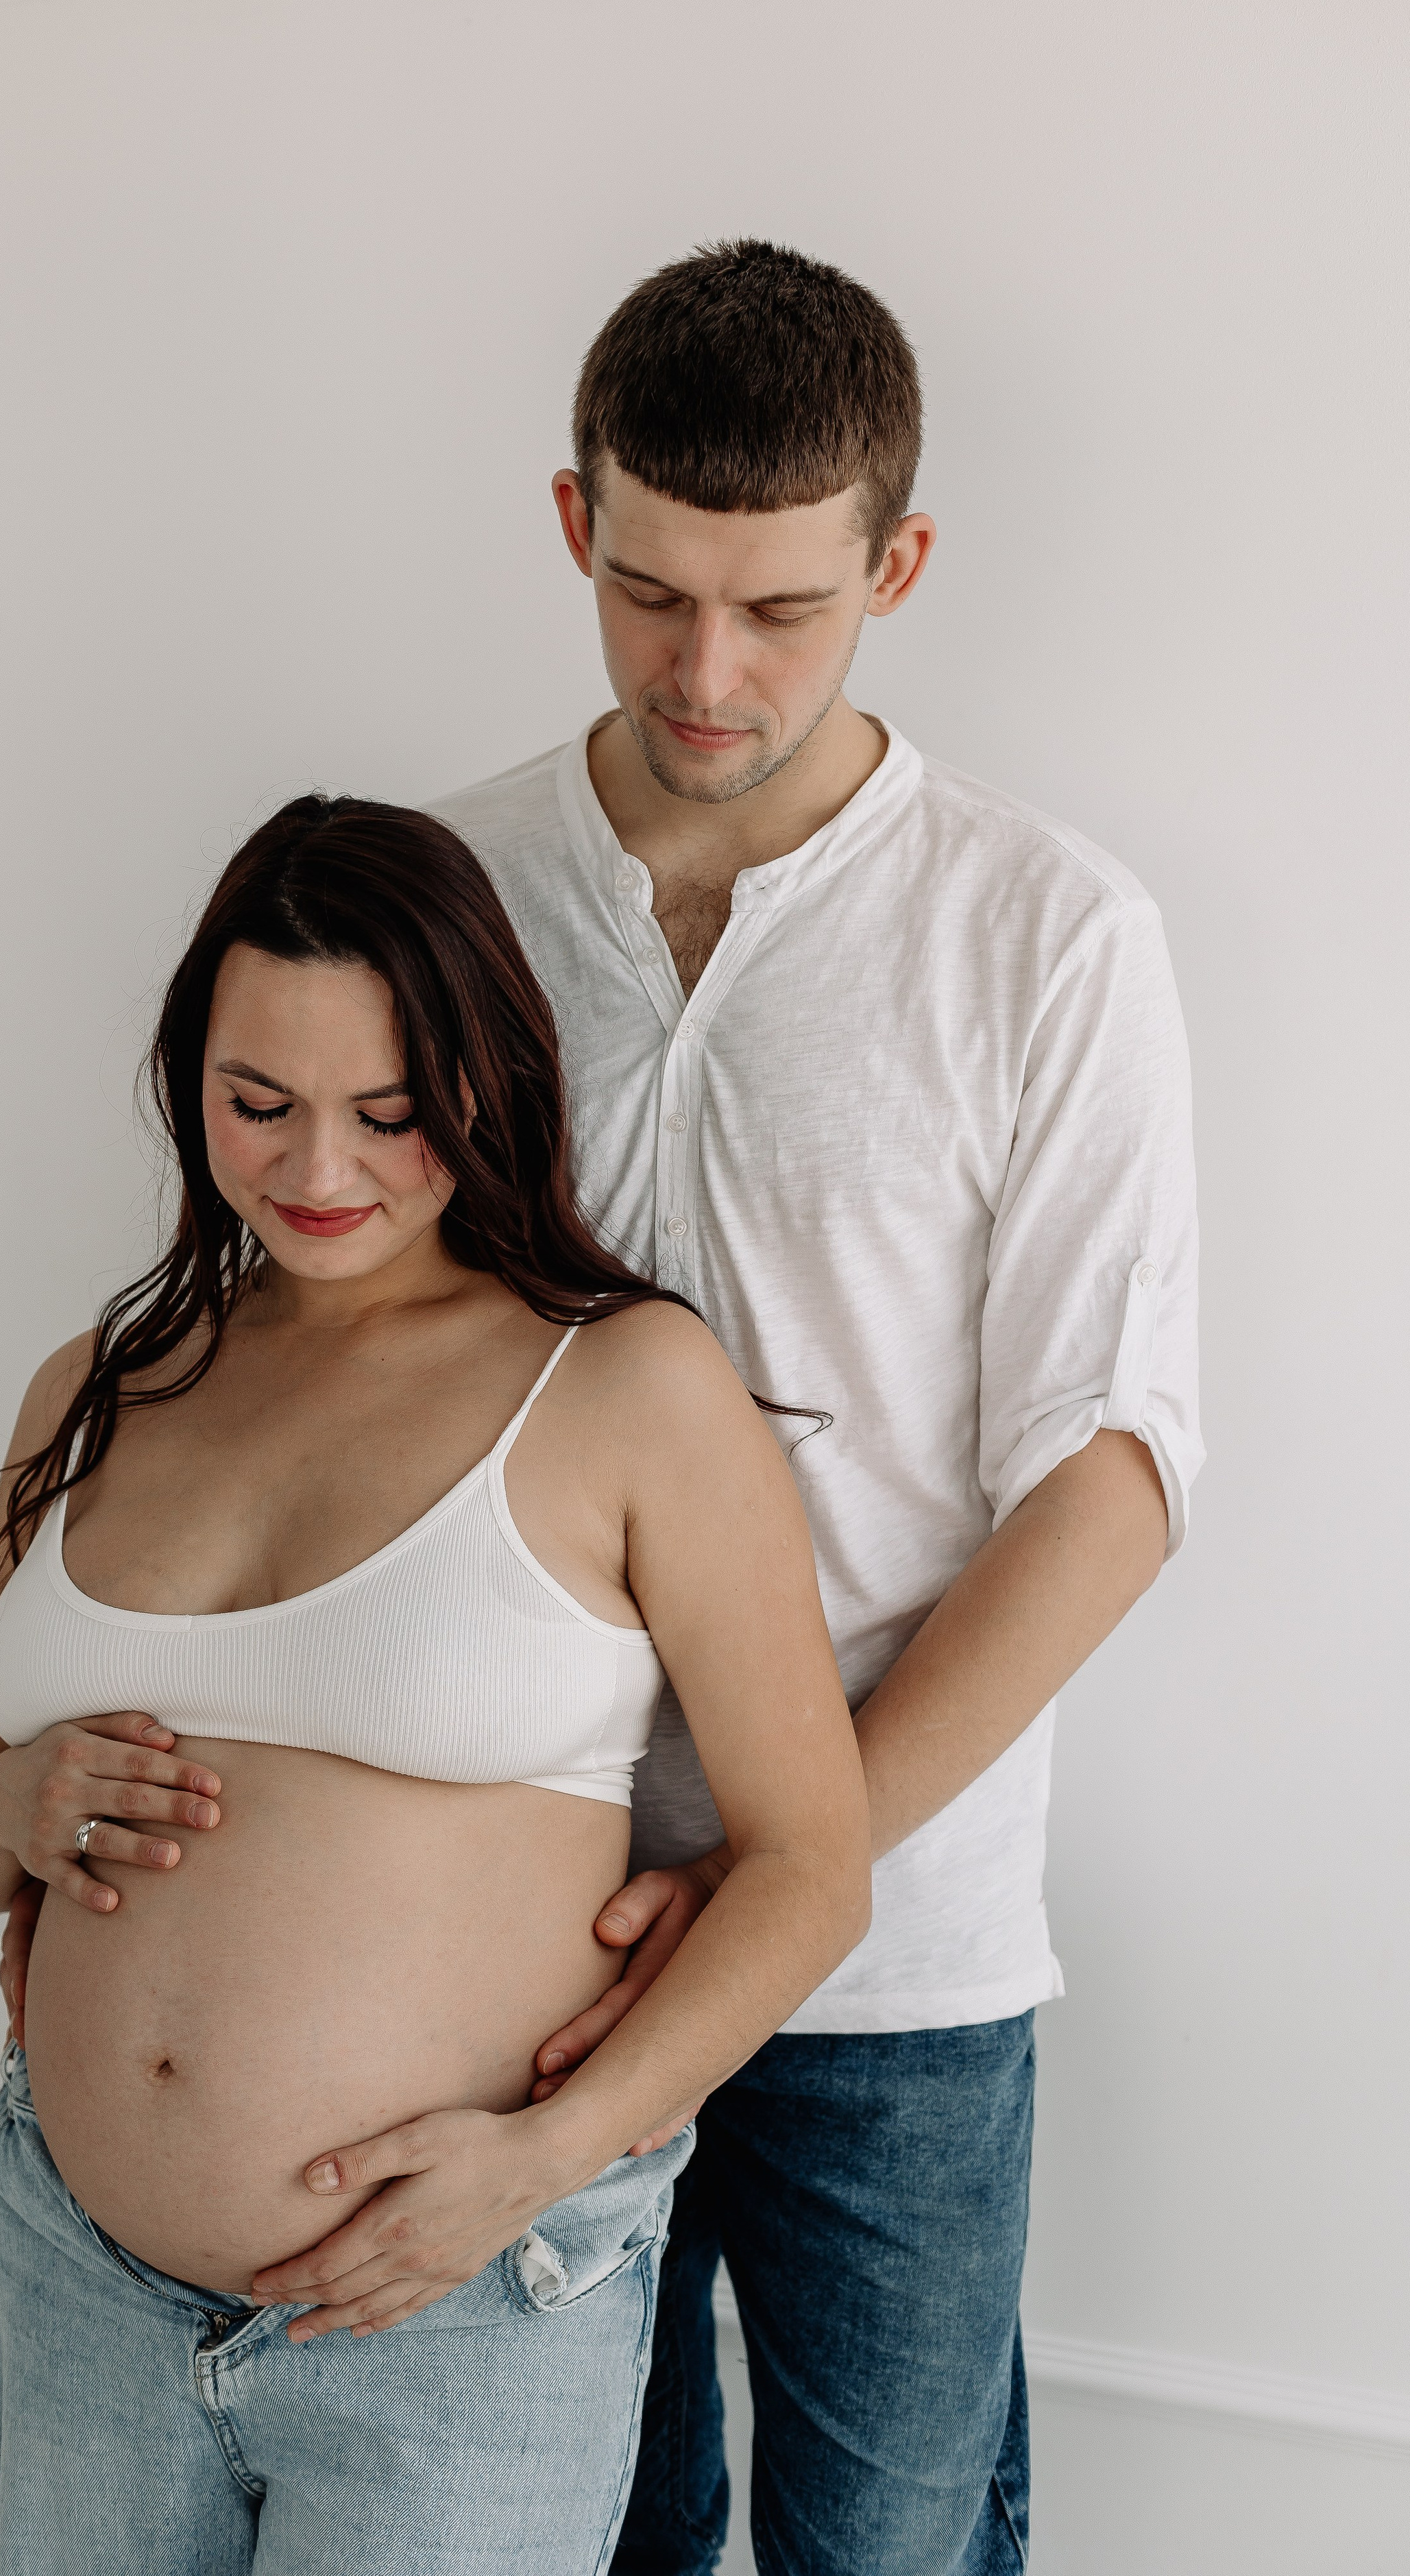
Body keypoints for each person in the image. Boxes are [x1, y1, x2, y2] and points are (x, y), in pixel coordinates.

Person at [421, 241, 1201, 2574]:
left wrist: (788, 1868)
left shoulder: (1046, 930)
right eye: (651, 594)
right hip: (514, 1924)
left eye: (782, 610)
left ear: (899, 564)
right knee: (586, 2535)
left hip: (902, 1954)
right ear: (574, 524)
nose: (706, 672)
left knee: (893, 2547)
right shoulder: (450, 894)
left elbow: (1115, 1479)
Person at [0, 795, 871, 2576]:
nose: (317, 1169)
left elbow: (814, 1862)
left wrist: (555, 2151)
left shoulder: (628, 1389)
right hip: (76, 2269)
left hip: (451, 2310)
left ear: (488, 1077)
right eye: (256, 1104)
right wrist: (8, 1801)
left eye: (387, 1110)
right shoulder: (95, 1388)